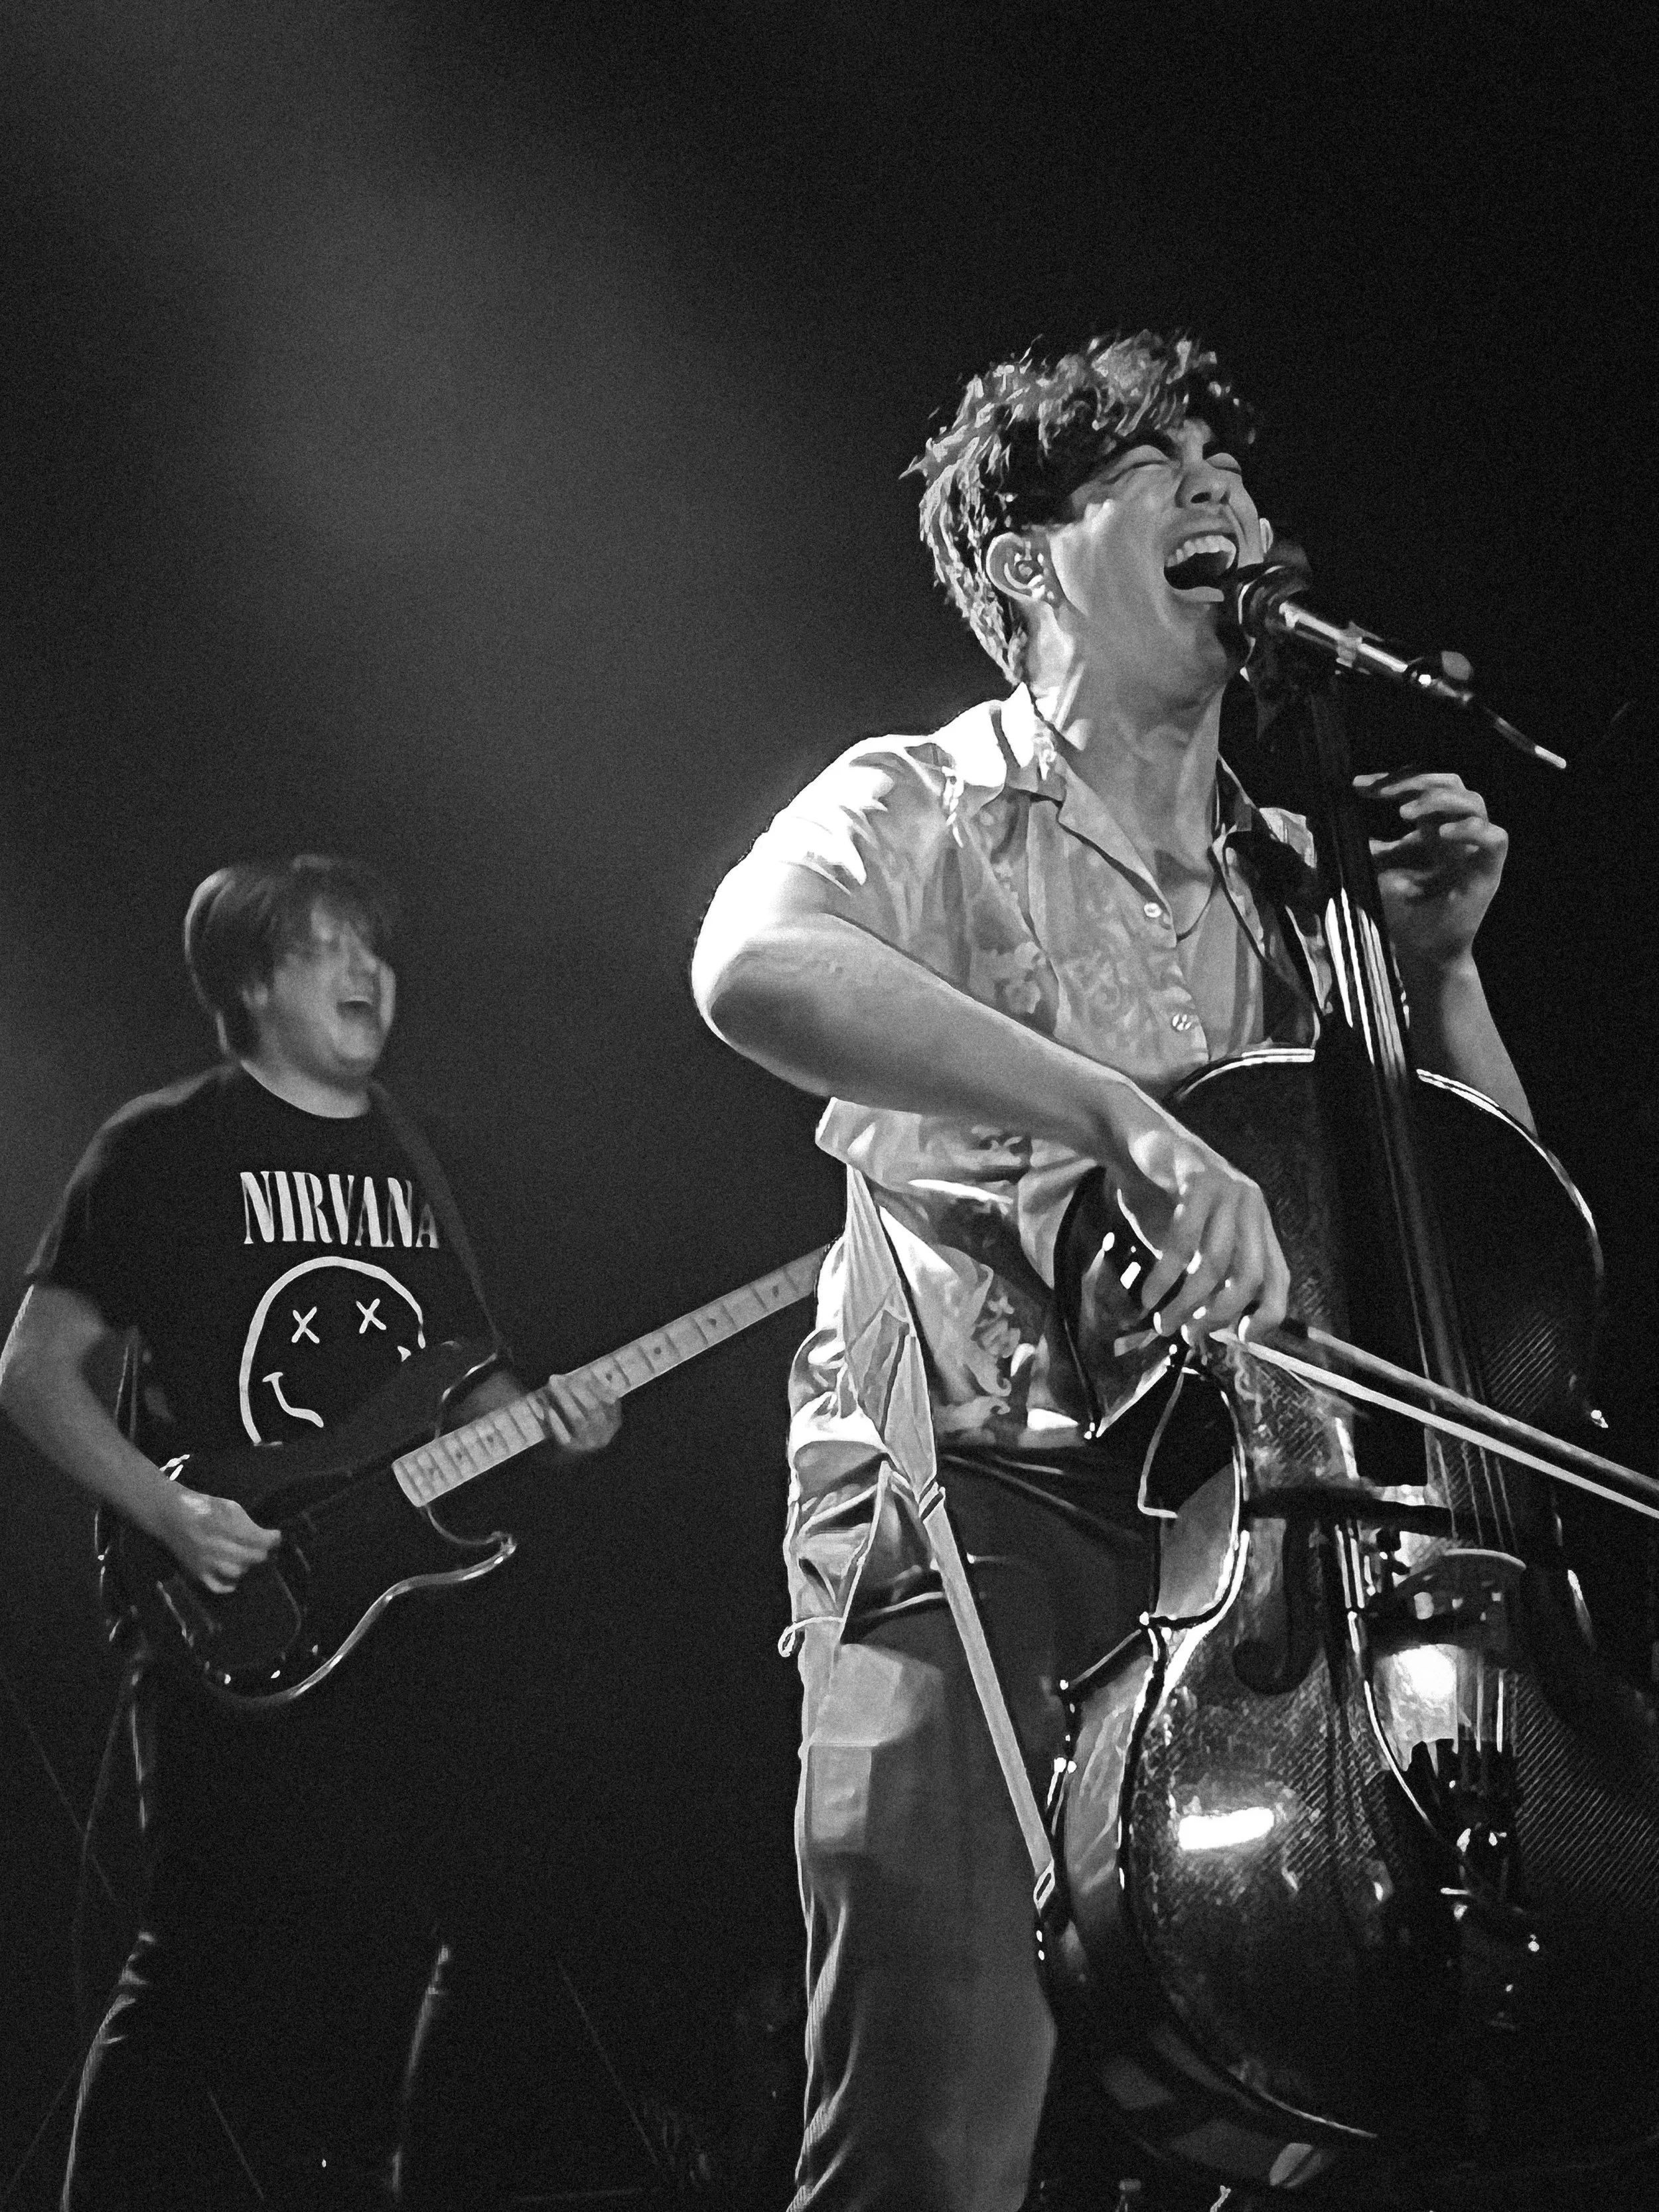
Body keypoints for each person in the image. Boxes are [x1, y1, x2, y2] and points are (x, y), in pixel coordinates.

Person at [690, 330, 1530, 2211]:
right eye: (1157, 466)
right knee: (930, 2139)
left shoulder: (1288, 878)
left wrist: (1441, 970)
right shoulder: (924, 796)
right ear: (1018, 571)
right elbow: (753, 965)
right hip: (970, 1514)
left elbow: (1493, 1264)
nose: (1222, 491)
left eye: (1230, 465)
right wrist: (1124, 1123)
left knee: (1307, 2116)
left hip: (1246, 1553)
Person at [0, 854, 621, 2211]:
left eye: (375, 948)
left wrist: (559, 1418)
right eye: (325, 946)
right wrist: (169, 1507)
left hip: (412, 1605)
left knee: (507, 1911)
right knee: (201, 1959)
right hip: (241, 1594)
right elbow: (34, 1369)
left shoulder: (424, 1156)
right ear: (247, 982)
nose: (366, 972)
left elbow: (471, 1377)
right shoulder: (161, 1144)